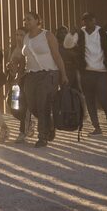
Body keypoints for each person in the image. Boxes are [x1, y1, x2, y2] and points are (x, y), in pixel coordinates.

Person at [63, 12, 107, 135]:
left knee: (104, 99)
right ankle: (96, 127)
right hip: (86, 72)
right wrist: (71, 34)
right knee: (89, 100)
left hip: (101, 72)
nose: (88, 23)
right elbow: (67, 45)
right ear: (83, 22)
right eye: (85, 20)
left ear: (95, 20)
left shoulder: (105, 34)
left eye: (90, 20)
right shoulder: (79, 34)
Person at [20, 11, 69, 148]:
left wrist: (63, 74)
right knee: (32, 105)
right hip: (31, 75)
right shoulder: (26, 37)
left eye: (29, 19)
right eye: (25, 20)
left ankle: (42, 137)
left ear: (37, 20)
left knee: (43, 104)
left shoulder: (47, 35)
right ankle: (49, 123)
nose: (26, 22)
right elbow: (24, 58)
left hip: (48, 74)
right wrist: (19, 72)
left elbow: (57, 56)